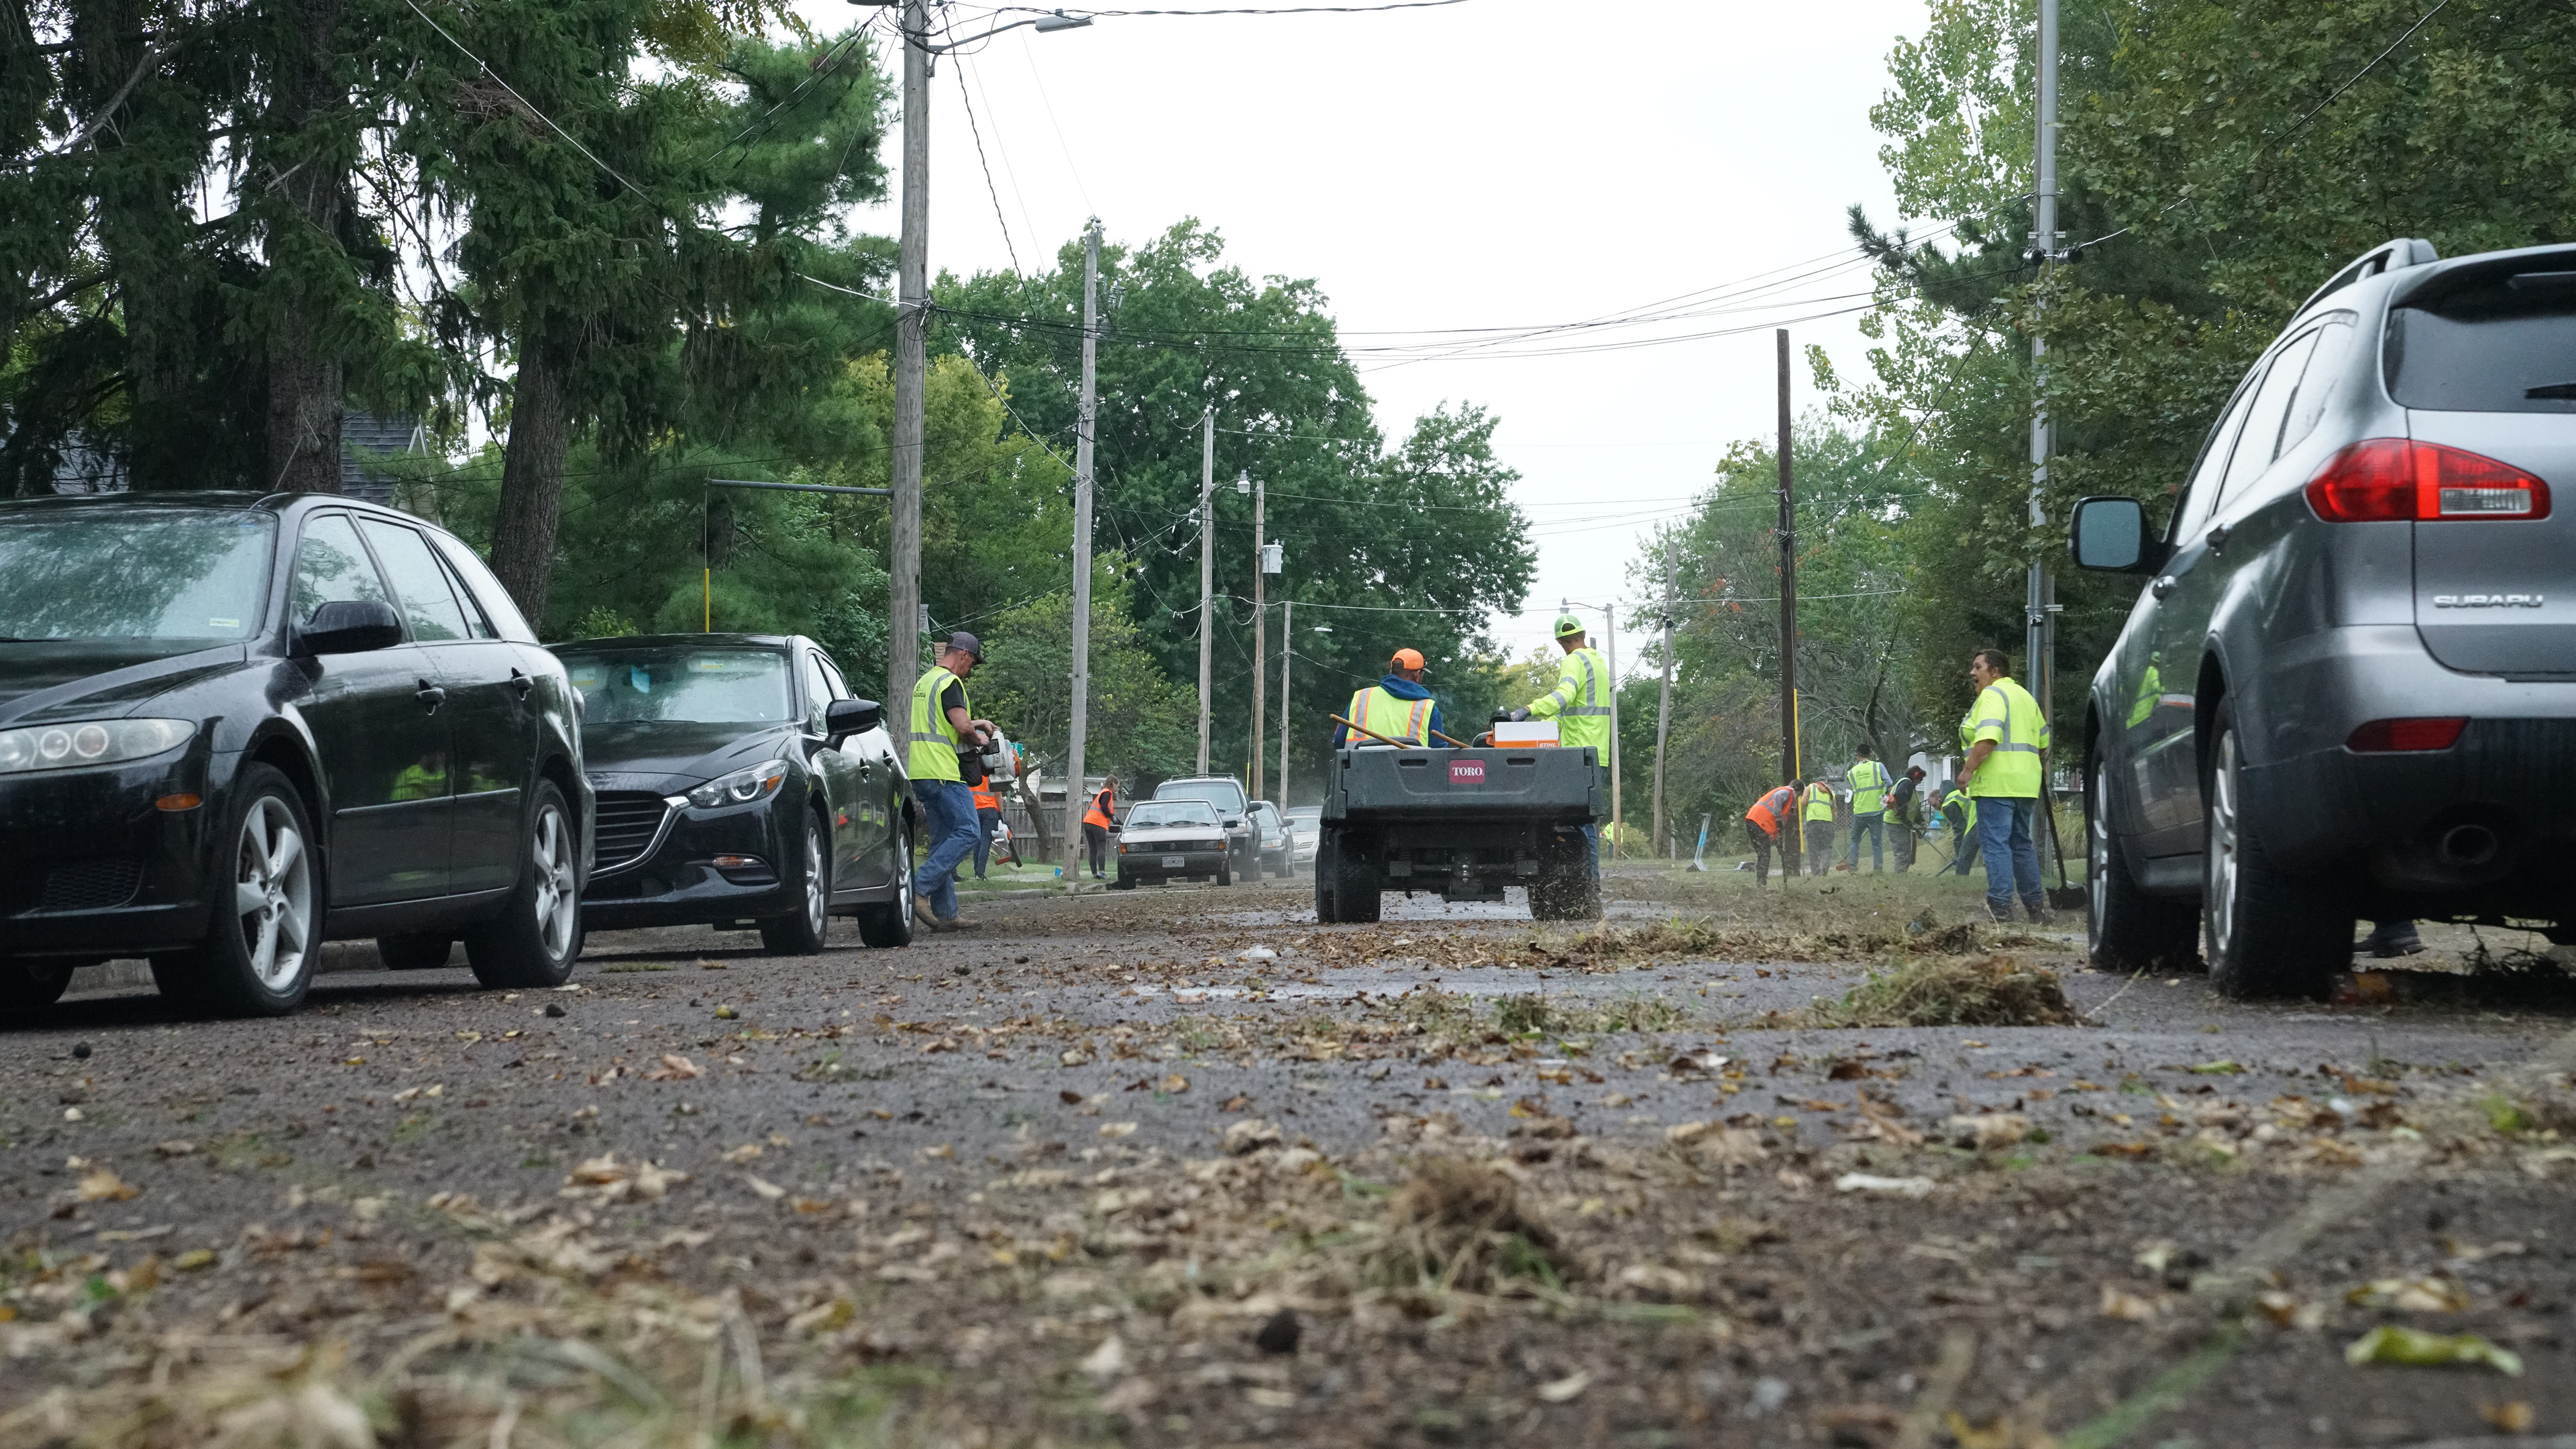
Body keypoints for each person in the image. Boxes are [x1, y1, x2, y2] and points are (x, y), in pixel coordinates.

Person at [1505, 614, 1613, 873]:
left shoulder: (1573, 660)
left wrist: (1526, 710)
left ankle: (1587, 883)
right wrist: (1543, 722)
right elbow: (1570, 710)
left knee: (1578, 825)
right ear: (1583, 634)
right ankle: (1590, 883)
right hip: (1598, 753)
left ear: (1560, 642)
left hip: (1578, 755)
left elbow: (1563, 697)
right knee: (1587, 821)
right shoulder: (1597, 662)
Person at [907, 632, 1000, 932]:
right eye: (972, 663)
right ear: (964, 655)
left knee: (942, 840)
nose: (970, 671)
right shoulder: (951, 683)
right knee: (970, 832)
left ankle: (946, 914)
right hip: (943, 771)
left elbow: (942, 722)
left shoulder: (926, 682)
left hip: (921, 772)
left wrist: (978, 721)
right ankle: (919, 887)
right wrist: (981, 739)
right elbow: (960, 727)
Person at [1958, 647, 2051, 922]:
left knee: (1996, 845)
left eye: (1978, 667)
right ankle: (2036, 908)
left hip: (1996, 783)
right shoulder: (2025, 696)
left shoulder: (1992, 694)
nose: (1972, 673)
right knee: (2021, 844)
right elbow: (2043, 743)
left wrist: (1966, 771)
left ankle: (2000, 906)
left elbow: (1988, 738)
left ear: (1995, 671)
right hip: (2026, 784)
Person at [1334, 648, 1446, 747]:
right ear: (1417, 674)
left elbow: (1339, 741)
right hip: (1411, 772)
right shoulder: (1427, 708)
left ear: (1391, 671)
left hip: (1359, 770)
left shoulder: (1361, 699)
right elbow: (1440, 753)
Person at [1842, 745, 1892, 873]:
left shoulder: (1852, 772)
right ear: (1870, 755)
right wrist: (1884, 798)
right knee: (1876, 842)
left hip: (1860, 811)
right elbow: (1889, 783)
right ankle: (1878, 869)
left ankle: (1853, 867)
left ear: (1858, 755)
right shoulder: (1878, 767)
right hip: (1876, 811)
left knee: (1855, 840)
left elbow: (1849, 793)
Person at [1743, 780, 1798, 886]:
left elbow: (1776, 833)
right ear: (1798, 790)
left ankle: (1760, 883)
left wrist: (1779, 847)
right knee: (1764, 855)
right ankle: (1761, 884)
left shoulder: (1782, 796)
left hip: (1752, 820)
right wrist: (1778, 818)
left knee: (1762, 854)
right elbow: (1778, 797)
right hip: (1759, 822)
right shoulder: (1788, 791)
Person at [1888, 764, 1925, 873]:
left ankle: (1901, 874)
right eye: (1920, 779)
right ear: (1915, 776)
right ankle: (1900, 877)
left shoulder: (1906, 784)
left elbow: (1913, 806)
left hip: (1900, 823)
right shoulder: (1907, 783)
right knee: (1902, 853)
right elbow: (1900, 799)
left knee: (1906, 852)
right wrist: (1904, 818)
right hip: (1896, 822)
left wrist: (1920, 822)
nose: (1921, 782)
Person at [1800, 775, 1839, 876]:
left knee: (1814, 849)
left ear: (1817, 782)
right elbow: (1834, 812)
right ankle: (1825, 869)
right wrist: (1833, 824)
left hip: (1813, 822)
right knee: (1826, 848)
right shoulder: (1831, 793)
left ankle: (1816, 873)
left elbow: (1803, 803)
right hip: (1827, 824)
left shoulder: (1811, 787)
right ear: (1826, 783)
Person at [1081, 776, 1117, 881]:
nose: (1117, 790)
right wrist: (1111, 816)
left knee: (1093, 849)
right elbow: (1104, 807)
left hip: (1088, 821)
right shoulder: (1107, 793)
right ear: (1113, 784)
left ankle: (1094, 874)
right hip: (1098, 823)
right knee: (1101, 848)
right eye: (1117, 786)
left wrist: (1115, 819)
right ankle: (1102, 872)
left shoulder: (1102, 793)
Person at [970, 777, 1004, 881]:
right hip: (990, 810)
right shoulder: (991, 775)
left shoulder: (971, 773)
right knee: (985, 841)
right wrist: (1001, 814)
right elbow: (998, 795)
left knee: (977, 842)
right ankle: (980, 874)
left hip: (974, 810)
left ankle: (977, 873)